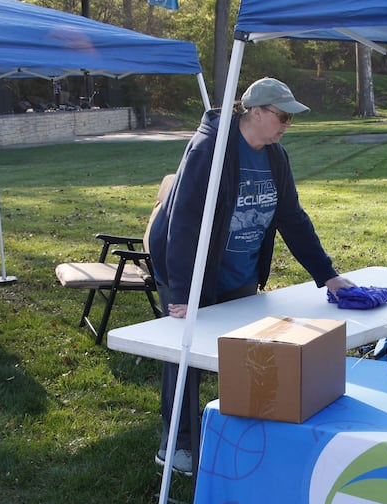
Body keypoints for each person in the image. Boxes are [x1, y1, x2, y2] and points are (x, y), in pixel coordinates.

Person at [147, 77, 353, 475]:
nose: (286, 125)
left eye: (290, 119)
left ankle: (239, 433)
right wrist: (185, 292)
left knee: (243, 352)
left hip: (239, 271)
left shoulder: (275, 156)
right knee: (185, 355)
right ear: (254, 111)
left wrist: (327, 275)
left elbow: (291, 217)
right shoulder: (210, 150)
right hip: (188, 269)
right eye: (281, 116)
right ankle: (178, 446)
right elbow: (184, 221)